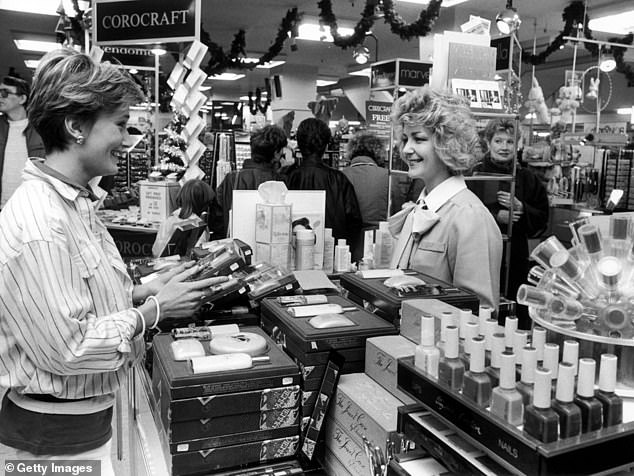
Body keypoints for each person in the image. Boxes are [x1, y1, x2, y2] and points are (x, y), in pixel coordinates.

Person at [0, 48, 226, 473]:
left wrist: (144, 290)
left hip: (92, 420)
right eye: (120, 125)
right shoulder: (41, 225)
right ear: (76, 126)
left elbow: (85, 294)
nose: (126, 139)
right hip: (58, 441)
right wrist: (153, 312)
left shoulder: (76, 203)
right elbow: (68, 350)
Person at [388, 87, 503, 311]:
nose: (407, 149)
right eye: (405, 139)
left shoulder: (470, 217)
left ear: (448, 143)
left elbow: (478, 312)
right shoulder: (419, 208)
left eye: (419, 139)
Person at [473, 118, 549, 328]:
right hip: (480, 252)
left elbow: (542, 218)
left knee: (514, 311)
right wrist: (495, 216)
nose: (504, 147)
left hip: (515, 255)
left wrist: (523, 209)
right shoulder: (474, 175)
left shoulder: (528, 178)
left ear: (517, 145)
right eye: (498, 141)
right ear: (488, 143)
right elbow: (462, 211)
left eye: (509, 142)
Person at [285, 118, 363, 261]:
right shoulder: (340, 180)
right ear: (327, 145)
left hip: (291, 257)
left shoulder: (286, 178)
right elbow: (354, 221)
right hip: (331, 258)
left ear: (299, 144)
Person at [211, 124, 287, 239]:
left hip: (235, 248)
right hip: (271, 247)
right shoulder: (280, 182)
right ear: (276, 153)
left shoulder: (232, 179)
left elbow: (217, 220)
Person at [0, 75, 45, 208]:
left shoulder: (41, 128)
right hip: (2, 206)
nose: (0, 96)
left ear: (22, 98)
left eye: (5, 92)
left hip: (31, 205)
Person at [152, 179, 214, 258]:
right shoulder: (198, 226)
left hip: (162, 266)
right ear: (203, 204)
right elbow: (199, 255)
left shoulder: (169, 219)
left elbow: (156, 251)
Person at [342, 131, 389, 228]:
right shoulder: (388, 176)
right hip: (380, 236)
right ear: (378, 152)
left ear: (351, 151)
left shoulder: (341, 176)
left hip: (348, 238)